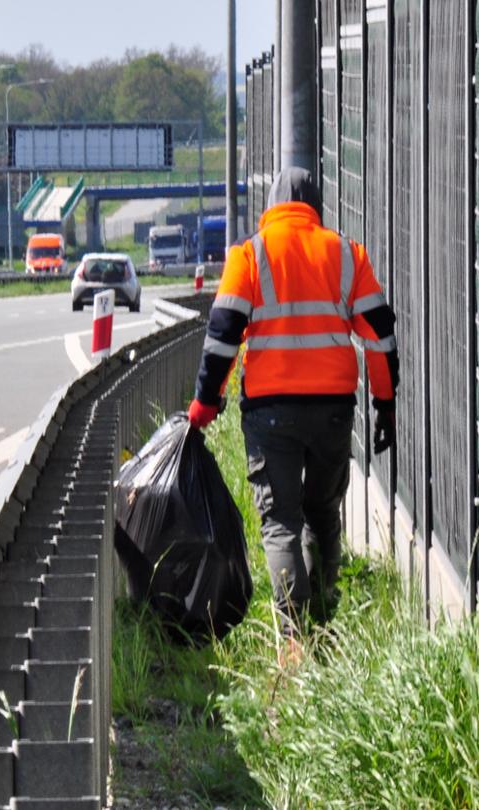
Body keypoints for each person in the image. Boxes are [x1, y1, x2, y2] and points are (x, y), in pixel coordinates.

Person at [187, 167, 399, 631]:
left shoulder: (250, 254)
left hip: (270, 411)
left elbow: (222, 336)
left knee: (279, 521)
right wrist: (385, 403)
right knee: (322, 510)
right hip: (333, 409)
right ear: (314, 208)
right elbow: (380, 336)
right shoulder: (347, 254)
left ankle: (294, 632)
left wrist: (206, 401)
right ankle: (325, 607)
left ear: (273, 206)